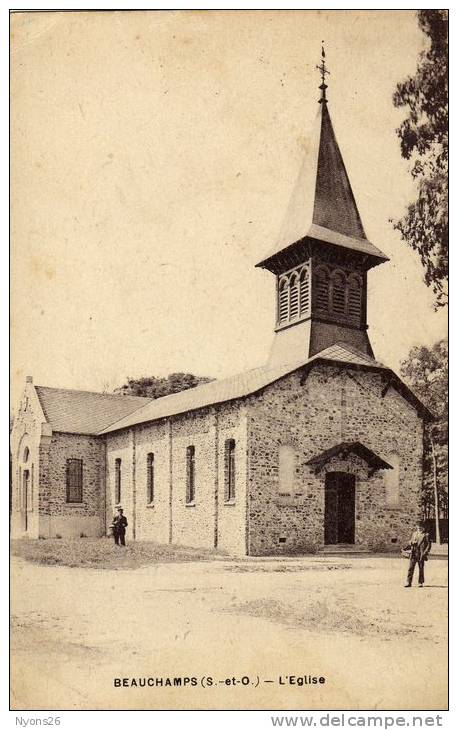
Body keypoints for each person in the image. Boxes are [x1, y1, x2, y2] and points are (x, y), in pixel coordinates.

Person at [404, 521, 431, 587]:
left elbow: (429, 545)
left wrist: (425, 553)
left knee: (421, 568)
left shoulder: (426, 535)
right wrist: (411, 542)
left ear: (423, 528)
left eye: (421, 527)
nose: (419, 528)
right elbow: (410, 542)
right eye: (418, 527)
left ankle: (420, 582)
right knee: (410, 568)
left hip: (421, 554)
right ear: (416, 527)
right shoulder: (414, 533)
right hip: (413, 553)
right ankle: (408, 582)